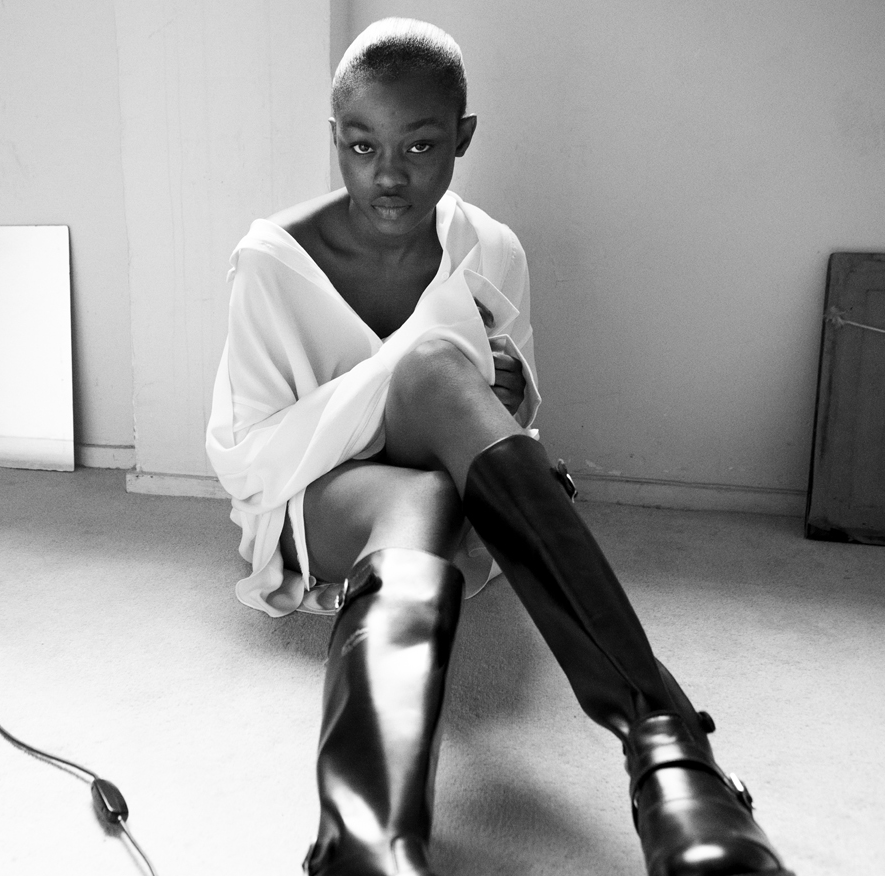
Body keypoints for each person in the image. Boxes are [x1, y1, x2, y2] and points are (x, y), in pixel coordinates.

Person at [206, 18, 792, 876]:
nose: (389, 174)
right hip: (317, 502)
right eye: (362, 146)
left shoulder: (491, 250)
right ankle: (677, 755)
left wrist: (502, 404)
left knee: (429, 481)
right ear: (334, 138)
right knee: (436, 366)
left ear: (463, 139)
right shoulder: (270, 262)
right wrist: (409, 379)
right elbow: (247, 460)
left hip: (430, 499)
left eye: (420, 145)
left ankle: (367, 845)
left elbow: (509, 443)